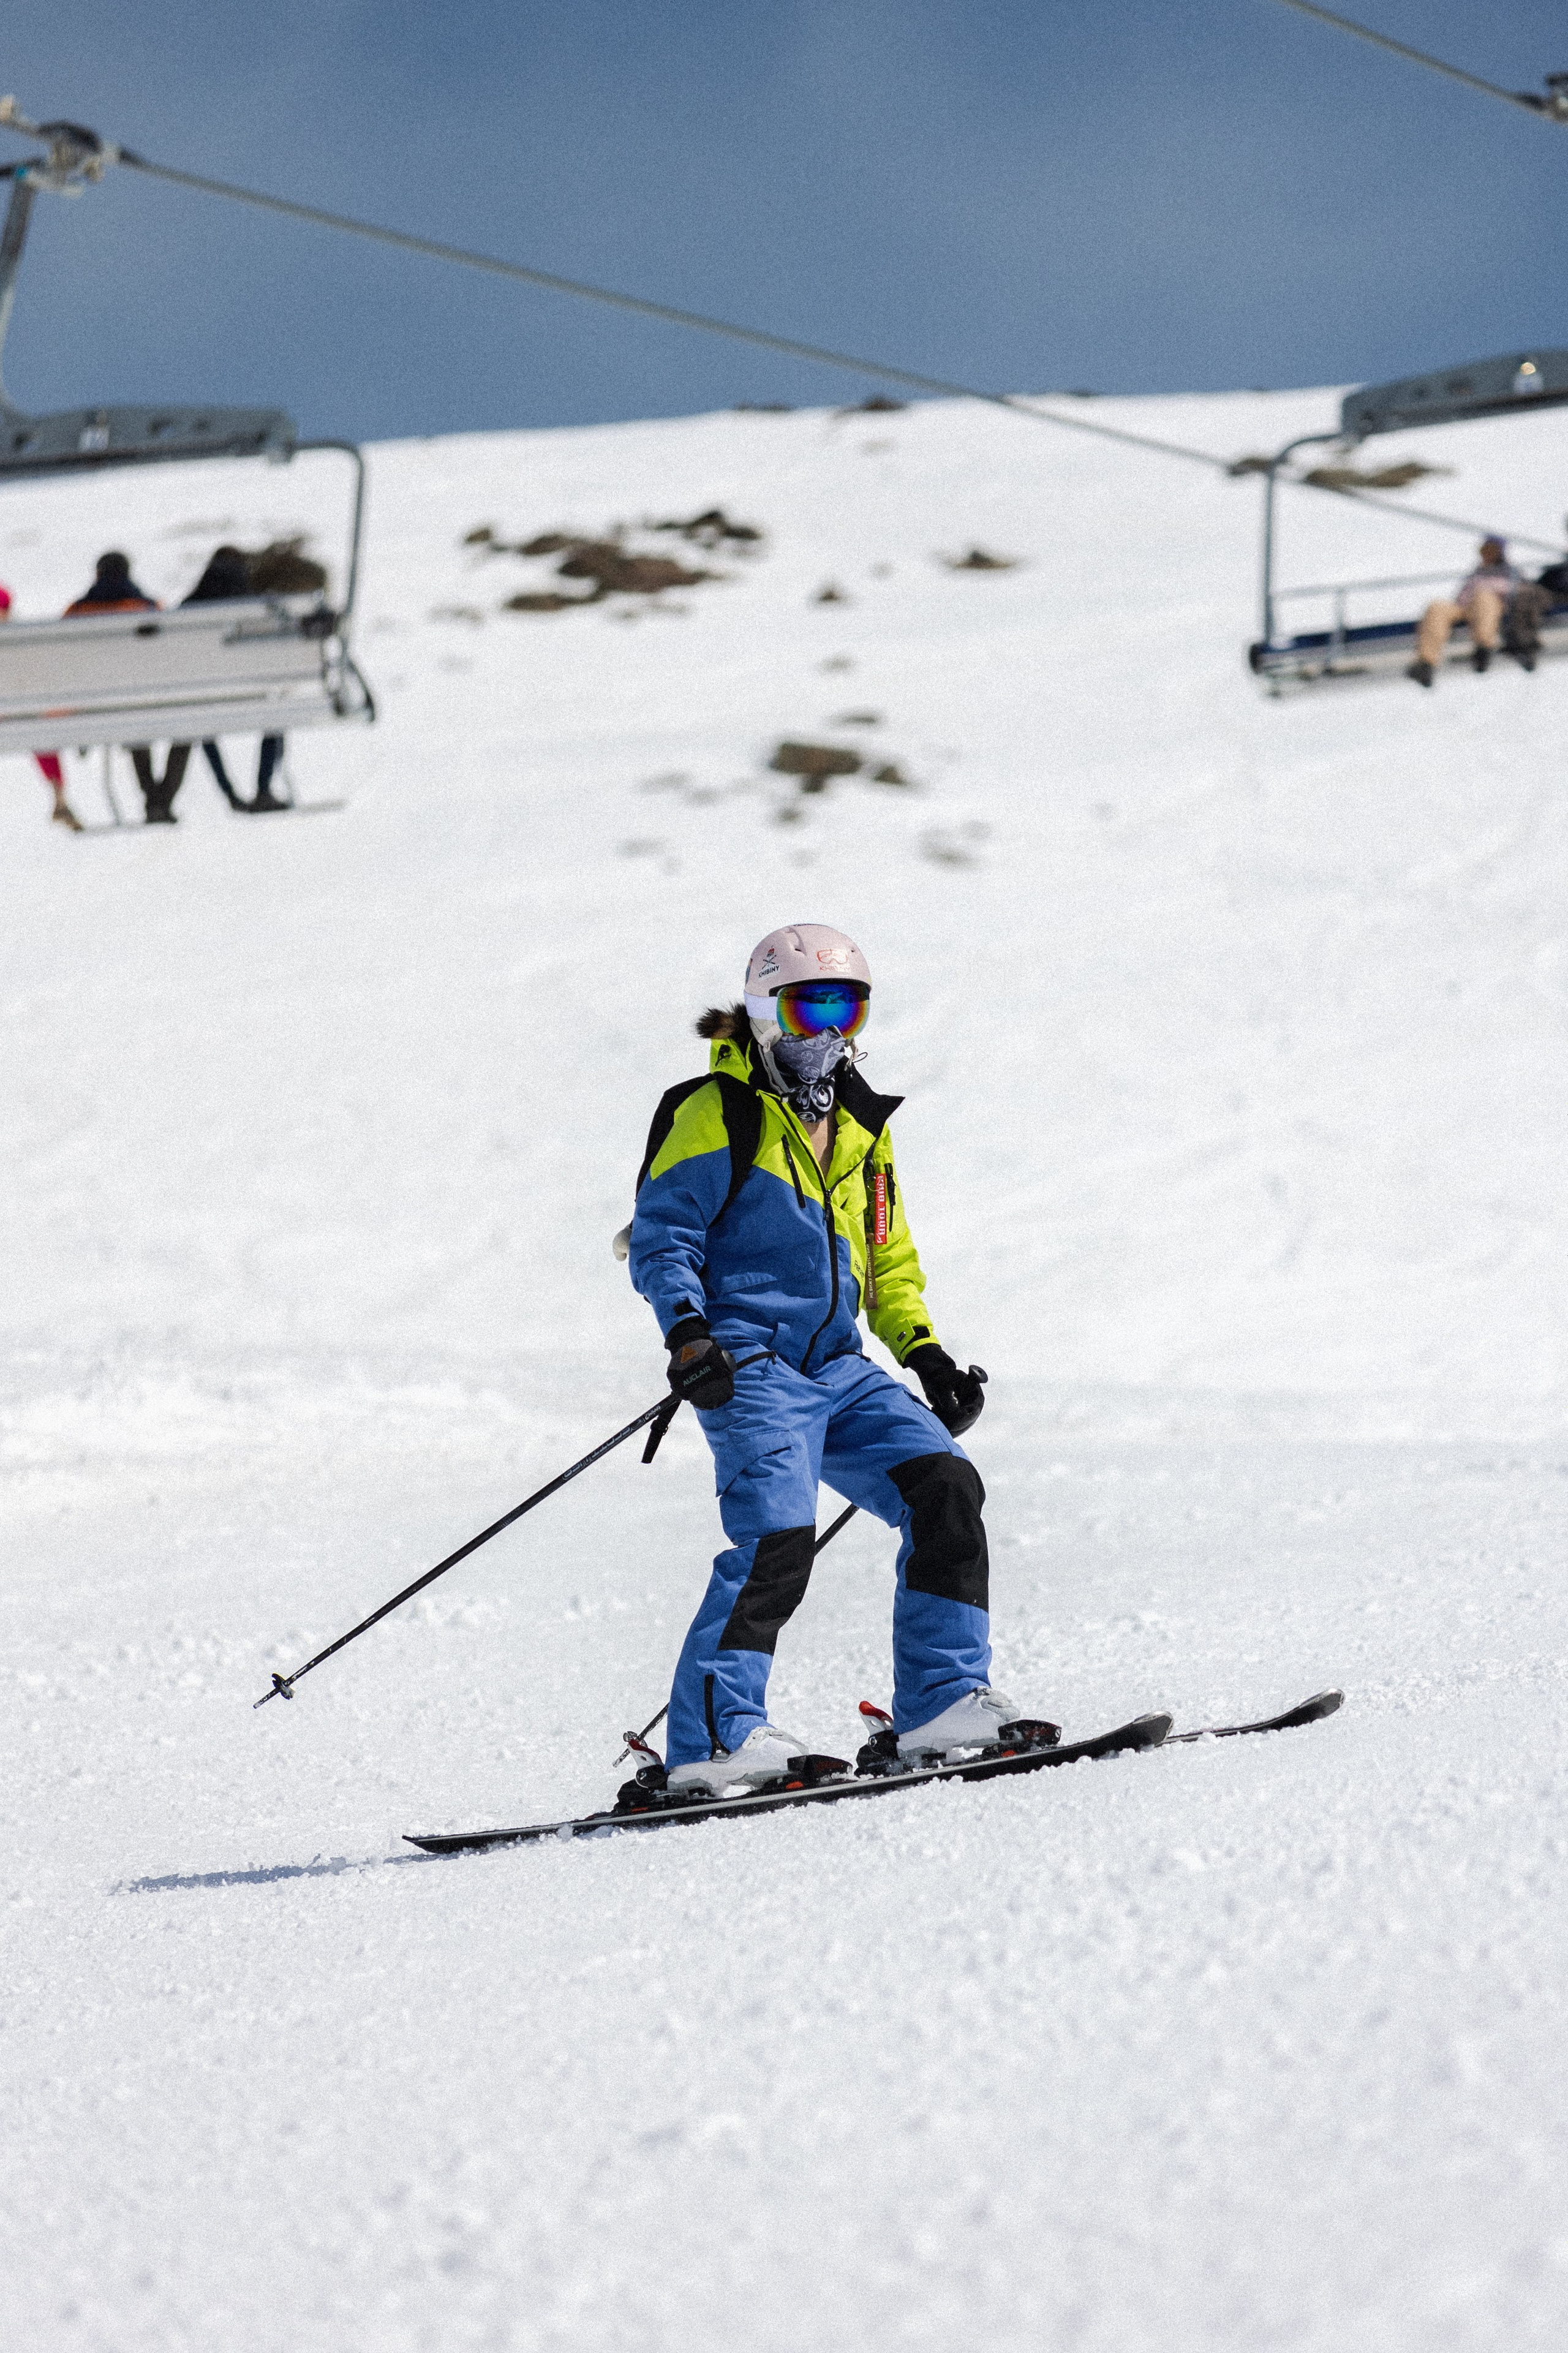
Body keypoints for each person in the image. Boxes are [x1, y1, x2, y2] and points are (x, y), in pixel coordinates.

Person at [627, 922, 1031, 1797]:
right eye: (811, 1004)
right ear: (767, 1009)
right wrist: (688, 1335)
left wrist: (924, 1355)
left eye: (848, 1005)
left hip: (838, 1366)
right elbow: (665, 1237)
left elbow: (886, 1253)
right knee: (777, 1539)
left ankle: (942, 1702)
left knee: (945, 1488)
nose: (829, 1028)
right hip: (749, 1366)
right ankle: (712, 1742)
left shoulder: (859, 1122)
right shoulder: (714, 1112)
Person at [64, 553, 190, 822]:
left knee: (133, 724)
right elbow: (171, 651)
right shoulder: (146, 606)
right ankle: (160, 801)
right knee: (184, 730)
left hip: (99, 701)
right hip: (146, 694)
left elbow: (62, 656)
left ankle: (156, 800)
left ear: (98, 574)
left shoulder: (77, 611)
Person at [180, 545, 287, 813]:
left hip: (206, 696)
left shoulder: (187, 608)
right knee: (277, 716)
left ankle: (228, 792)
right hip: (253, 693)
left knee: (201, 723)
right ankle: (264, 789)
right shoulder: (257, 606)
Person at [0, 583, 83, 830]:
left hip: (21, 710)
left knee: (38, 730)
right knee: (38, 730)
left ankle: (60, 798)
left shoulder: (23, 638)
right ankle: (60, 798)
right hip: (22, 710)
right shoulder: (24, 636)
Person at [1407, 538, 1517, 686]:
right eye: (1485, 551)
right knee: (1437, 607)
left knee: (1483, 597)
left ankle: (1484, 648)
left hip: (1491, 607)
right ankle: (1426, 663)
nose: (1487, 555)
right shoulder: (1478, 572)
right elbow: (1461, 596)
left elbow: (1515, 592)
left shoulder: (1510, 572)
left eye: (1492, 551)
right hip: (1465, 608)